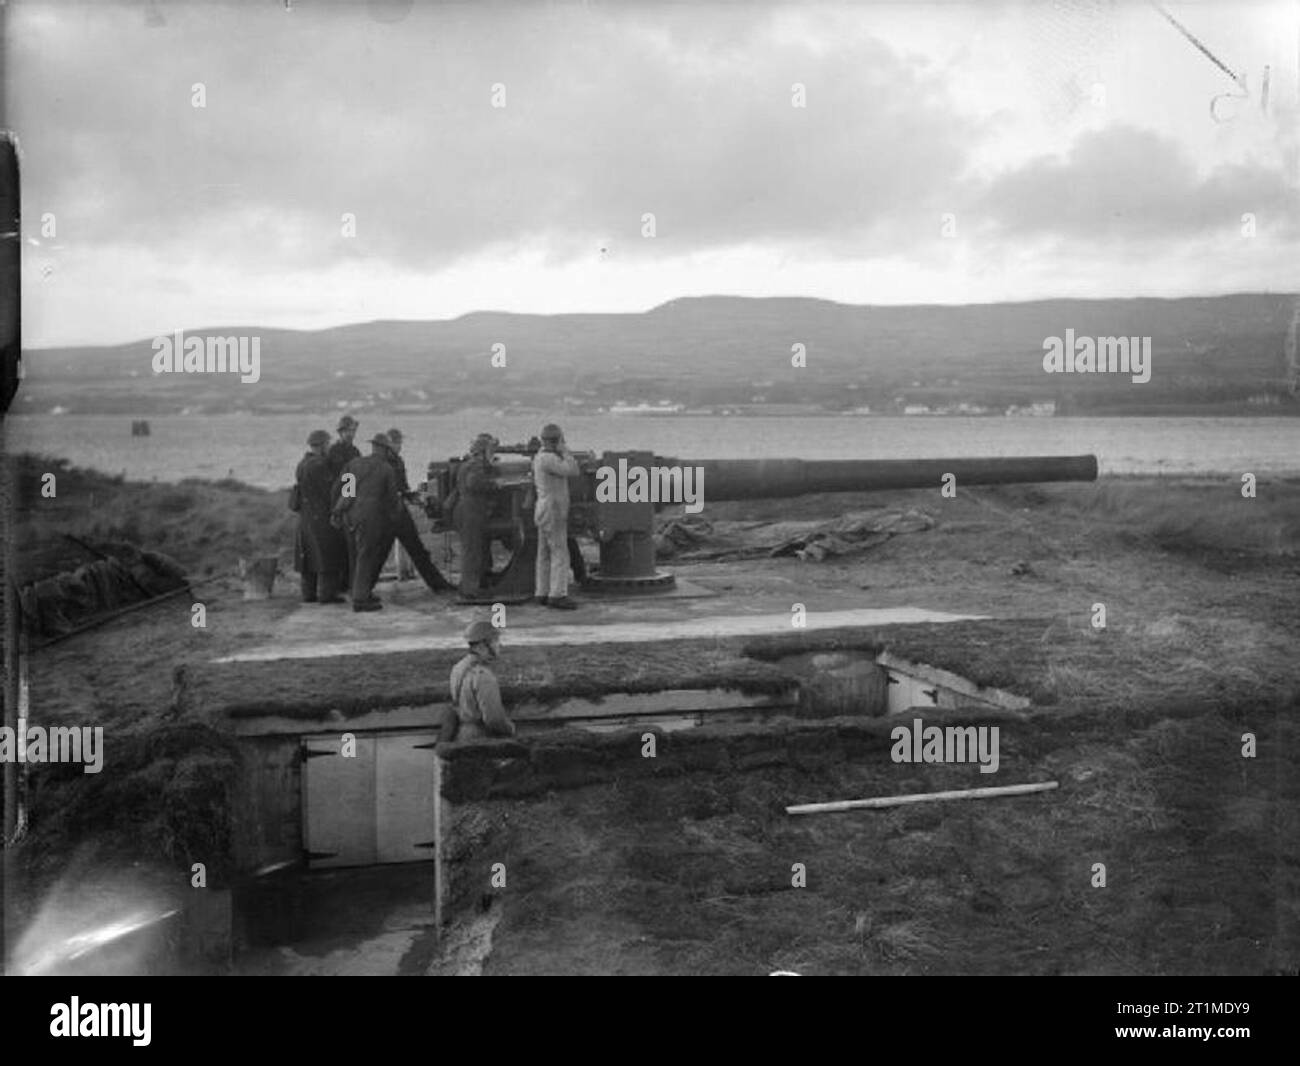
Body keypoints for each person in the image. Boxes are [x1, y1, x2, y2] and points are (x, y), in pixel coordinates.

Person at [331, 432, 402, 611]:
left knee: (356, 555)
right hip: (372, 517)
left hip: (350, 515)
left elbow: (346, 492)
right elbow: (392, 499)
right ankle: (361, 599)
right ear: (385, 450)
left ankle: (359, 592)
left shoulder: (354, 464)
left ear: (373, 447)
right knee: (367, 556)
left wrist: (337, 512)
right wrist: (394, 517)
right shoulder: (386, 468)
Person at [384, 427, 455, 593]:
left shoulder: (397, 461)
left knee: (417, 549)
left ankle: (438, 584)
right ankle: (361, 592)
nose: (399, 446)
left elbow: (402, 487)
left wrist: (416, 498)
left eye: (399, 442)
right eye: (396, 442)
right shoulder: (386, 463)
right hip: (389, 512)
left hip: (398, 509)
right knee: (378, 553)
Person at [293, 429, 347, 604]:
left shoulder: (302, 464)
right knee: (328, 557)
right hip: (321, 518)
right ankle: (327, 595)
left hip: (305, 518)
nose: (329, 447)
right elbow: (331, 491)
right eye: (328, 444)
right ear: (322, 445)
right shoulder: (319, 465)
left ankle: (308, 594)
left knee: (308, 559)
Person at [441, 620, 515, 742]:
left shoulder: (458, 667)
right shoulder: (483, 676)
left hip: (462, 734)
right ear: (482, 645)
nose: (499, 645)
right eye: (495, 641)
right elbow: (494, 720)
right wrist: (510, 729)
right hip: (480, 739)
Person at [531, 423, 579, 609]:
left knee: (543, 553)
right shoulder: (549, 459)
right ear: (557, 440)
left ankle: (542, 591)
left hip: (543, 508)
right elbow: (572, 470)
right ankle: (558, 594)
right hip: (554, 510)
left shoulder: (539, 457)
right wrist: (565, 451)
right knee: (560, 552)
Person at [454, 434, 498, 599]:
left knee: (474, 549)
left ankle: (473, 584)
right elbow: (473, 483)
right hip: (471, 510)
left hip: (466, 509)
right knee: (472, 551)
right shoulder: (476, 464)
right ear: (483, 450)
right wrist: (494, 484)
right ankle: (470, 590)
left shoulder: (468, 463)